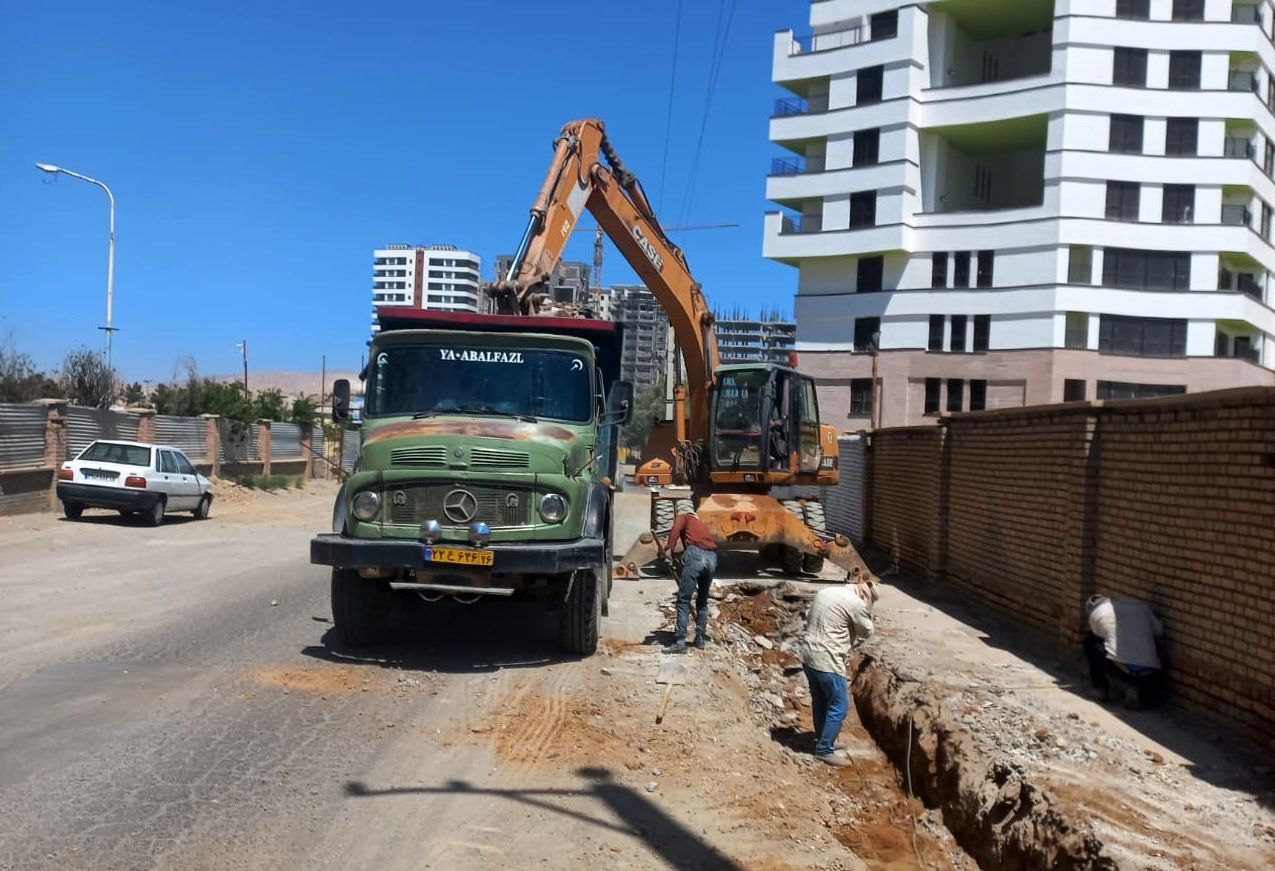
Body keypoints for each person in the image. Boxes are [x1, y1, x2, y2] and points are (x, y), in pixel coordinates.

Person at [799, 568, 878, 766]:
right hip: (828, 660)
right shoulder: (856, 603)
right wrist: (868, 611)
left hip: (809, 655)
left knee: (820, 701)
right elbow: (867, 632)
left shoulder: (826, 592)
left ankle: (823, 739)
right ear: (865, 592)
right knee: (839, 706)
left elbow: (809, 616)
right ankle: (825, 749)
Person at [1084, 594, 1164, 709]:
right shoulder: (1141, 607)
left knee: (1091, 643)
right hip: (1150, 670)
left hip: (1120, 669)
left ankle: (1100, 689)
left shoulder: (1096, 614)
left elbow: (1098, 635)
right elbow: (1160, 632)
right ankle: (1137, 690)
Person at [659, 503, 719, 654]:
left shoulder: (683, 517)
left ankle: (680, 642)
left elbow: (675, 530)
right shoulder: (702, 525)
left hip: (695, 554)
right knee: (702, 601)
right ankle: (699, 639)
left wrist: (669, 549)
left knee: (684, 600)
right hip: (712, 557)